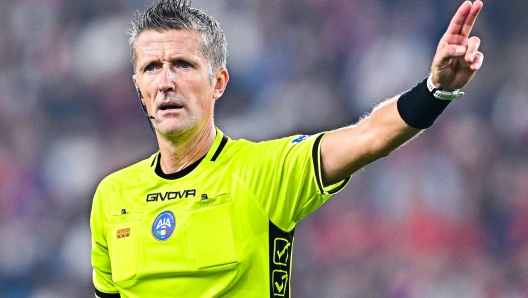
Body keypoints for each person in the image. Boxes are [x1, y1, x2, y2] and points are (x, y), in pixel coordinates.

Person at [90, 0, 484, 297]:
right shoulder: (112, 196)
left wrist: (436, 89)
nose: (165, 82)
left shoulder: (265, 171)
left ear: (218, 83)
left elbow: (370, 137)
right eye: (151, 68)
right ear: (138, 88)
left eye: (183, 64)